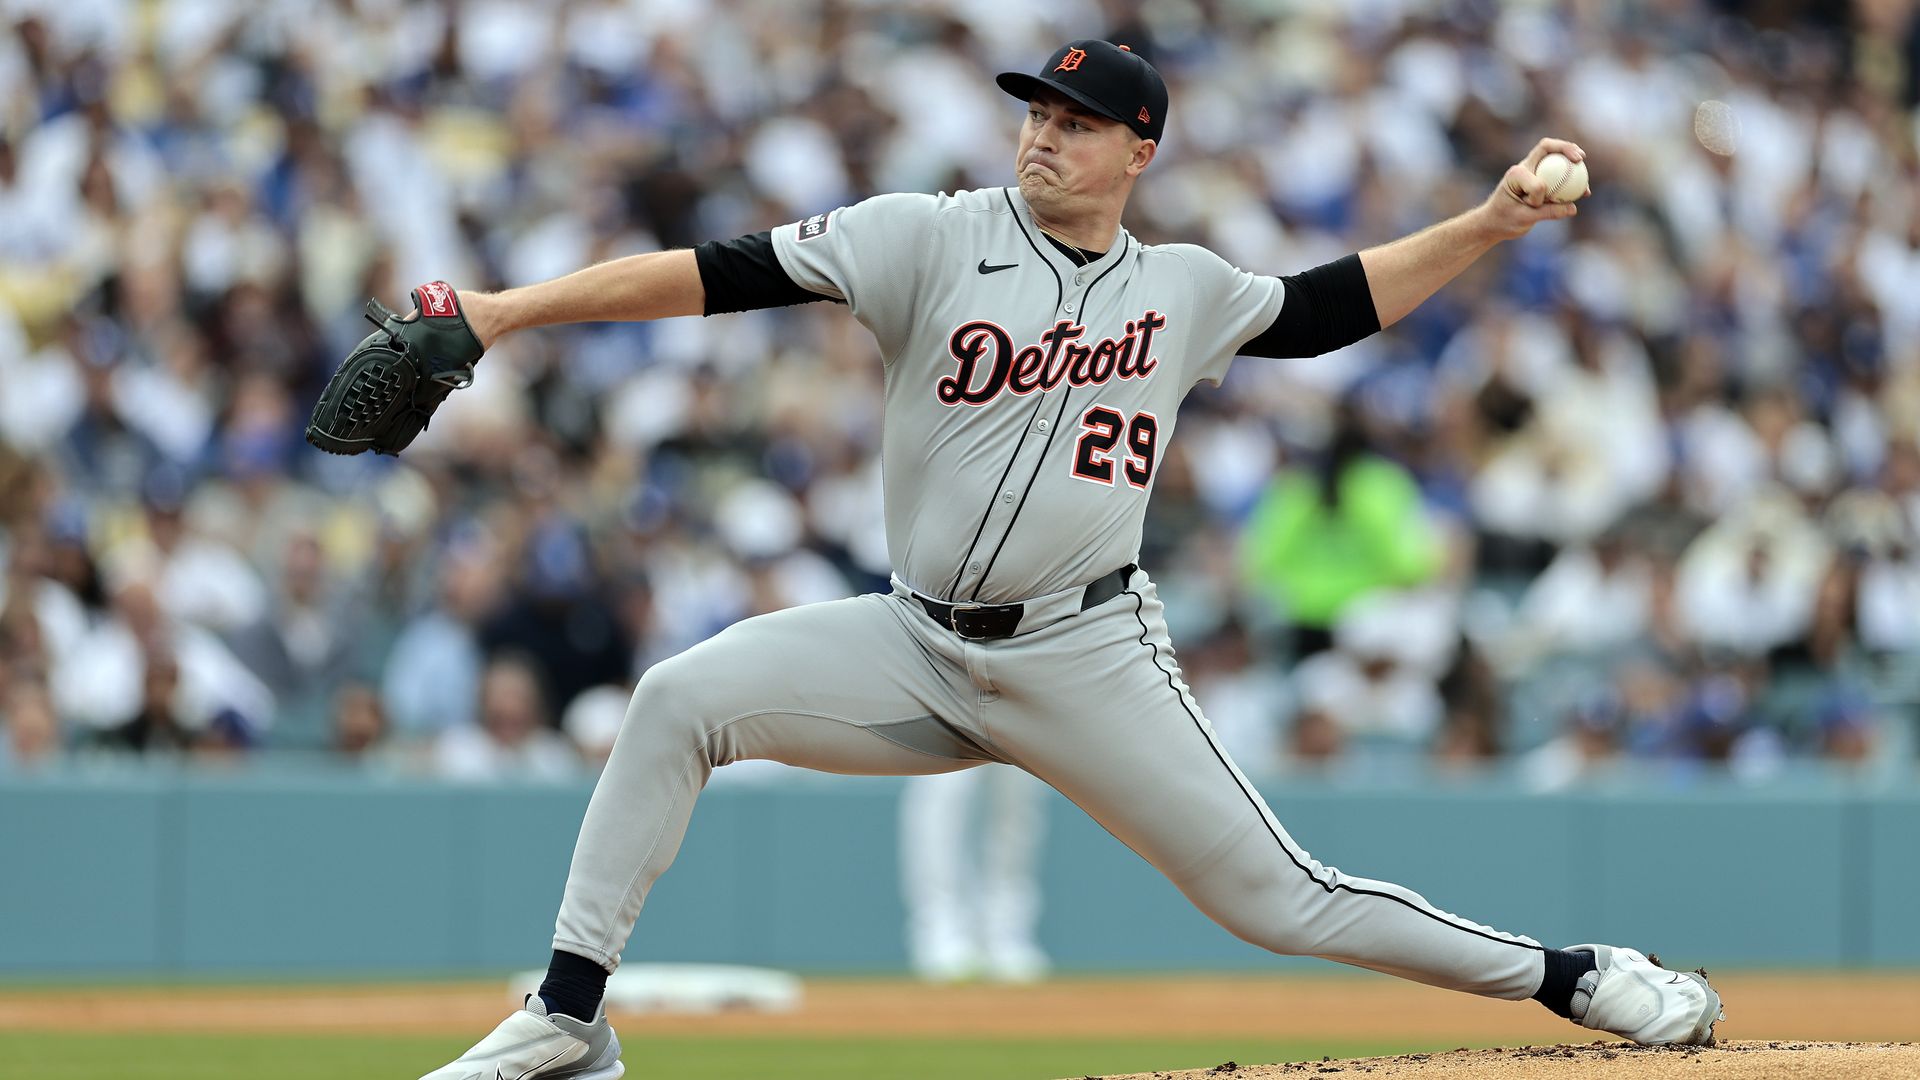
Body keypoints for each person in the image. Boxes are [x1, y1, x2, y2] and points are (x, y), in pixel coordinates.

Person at [415, 40, 1721, 1080]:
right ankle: (571, 1016)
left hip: (1087, 649)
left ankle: (1576, 977)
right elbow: (710, 275)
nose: (1045, 134)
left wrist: (1487, 225)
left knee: (1282, 900)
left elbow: (1332, 306)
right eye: (1037, 112)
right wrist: (507, 313)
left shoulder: (1184, 288)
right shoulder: (925, 235)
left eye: (1078, 122)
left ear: (1139, 150)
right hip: (914, 640)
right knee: (677, 701)